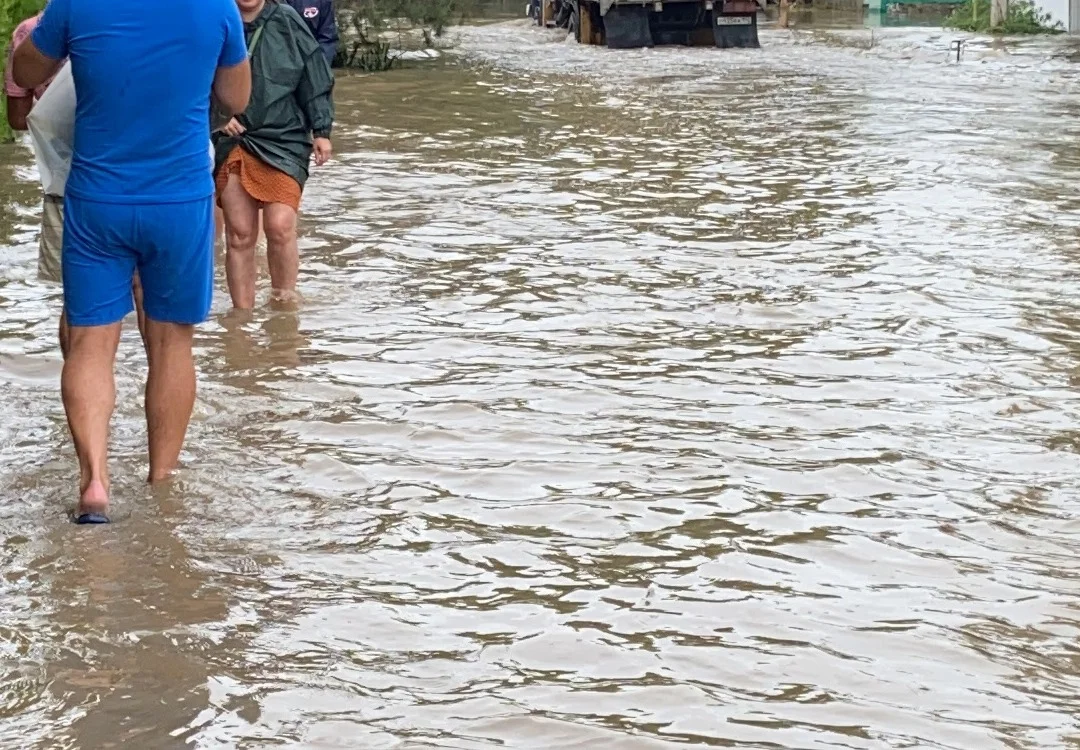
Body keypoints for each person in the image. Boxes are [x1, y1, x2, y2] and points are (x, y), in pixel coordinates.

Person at [12, 0, 253, 524]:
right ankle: (161, 479)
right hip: (179, 199)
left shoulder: (77, 4)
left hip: (98, 197)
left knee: (91, 343)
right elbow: (236, 98)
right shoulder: (217, 9)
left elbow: (23, 70)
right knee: (171, 346)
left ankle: (95, 481)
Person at [215, 0, 334, 310]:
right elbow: (187, 74)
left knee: (280, 226)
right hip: (233, 139)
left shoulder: (288, 20)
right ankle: (241, 319)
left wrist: (321, 130)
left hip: (285, 137)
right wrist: (217, 115)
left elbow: (314, 74)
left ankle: (284, 304)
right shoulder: (213, 17)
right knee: (240, 233)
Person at [5, 8, 68, 353]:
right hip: (141, 171)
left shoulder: (28, 32)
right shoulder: (136, 18)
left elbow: (18, 119)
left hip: (65, 176)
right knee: (147, 296)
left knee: (78, 298)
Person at [284, 0, 338, 67]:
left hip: (311, 63)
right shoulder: (271, 3)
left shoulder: (322, 2)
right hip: (276, 63)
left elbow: (327, 38)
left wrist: (320, 68)